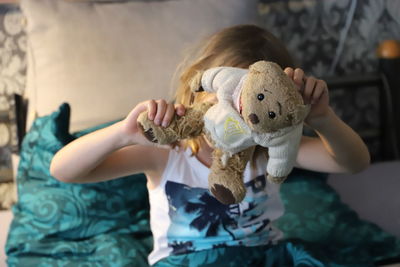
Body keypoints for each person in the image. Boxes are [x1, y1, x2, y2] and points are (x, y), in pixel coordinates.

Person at [50, 25, 370, 266]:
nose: (239, 112)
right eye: (230, 93)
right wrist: (122, 133)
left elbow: (353, 163)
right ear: (199, 86)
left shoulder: (271, 149)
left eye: (254, 103)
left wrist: (323, 118)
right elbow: (64, 171)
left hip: (262, 256)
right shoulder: (164, 154)